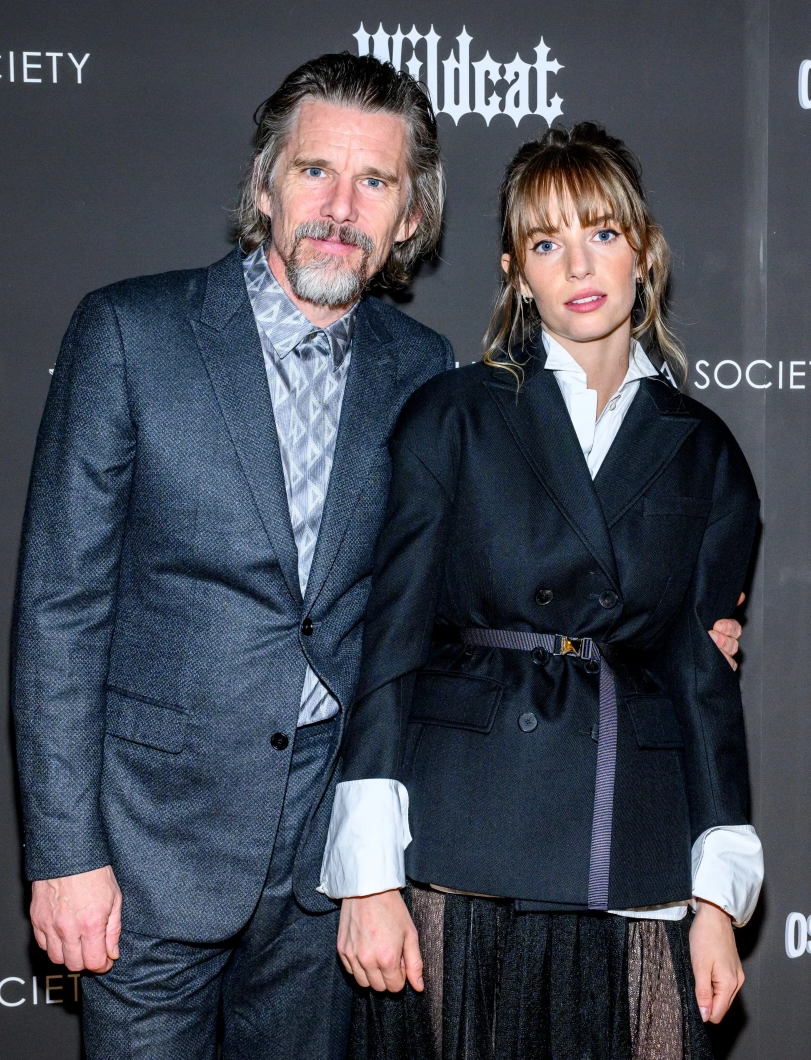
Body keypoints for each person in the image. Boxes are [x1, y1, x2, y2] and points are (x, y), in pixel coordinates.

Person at [11, 53, 452, 1060]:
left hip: (322, 872)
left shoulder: (424, 371)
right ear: (264, 186)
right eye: (315, 171)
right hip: (147, 851)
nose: (339, 208)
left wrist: (666, 618)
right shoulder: (131, 333)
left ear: (410, 220)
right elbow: (60, 608)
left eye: (374, 182)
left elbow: (435, 603)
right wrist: (65, 852)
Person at [319, 123, 763, 1060]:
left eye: (602, 232)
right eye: (547, 242)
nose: (580, 265)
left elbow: (703, 683)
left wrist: (719, 900)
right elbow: (390, 643)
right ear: (517, 273)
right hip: (465, 836)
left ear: (645, 250)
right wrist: (367, 876)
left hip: (633, 842)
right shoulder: (453, 415)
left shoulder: (705, 452)